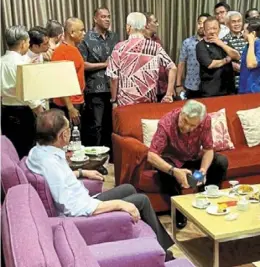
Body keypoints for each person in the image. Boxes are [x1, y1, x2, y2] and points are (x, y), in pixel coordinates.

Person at [26, 109, 174, 260]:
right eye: (68, 129)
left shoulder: (39, 152)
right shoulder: (50, 163)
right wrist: (118, 204)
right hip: (83, 213)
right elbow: (72, 207)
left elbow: (58, 180)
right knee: (141, 200)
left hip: (85, 200)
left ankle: (148, 241)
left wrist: (82, 173)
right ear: (63, 135)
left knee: (129, 188)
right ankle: (163, 254)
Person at [147, 100, 228, 229]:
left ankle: (207, 200)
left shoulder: (205, 120)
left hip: (194, 156)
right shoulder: (166, 123)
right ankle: (179, 212)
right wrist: (174, 171)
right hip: (173, 160)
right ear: (181, 113)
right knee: (164, 171)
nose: (187, 127)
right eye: (184, 121)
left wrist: (203, 170)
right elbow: (151, 156)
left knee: (221, 161)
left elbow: (208, 149)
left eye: (193, 125)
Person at [106, 12, 177, 106]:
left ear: (128, 27)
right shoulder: (155, 47)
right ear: (144, 27)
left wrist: (114, 99)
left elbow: (114, 77)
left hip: (126, 103)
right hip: (150, 101)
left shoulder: (119, 47)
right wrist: (169, 94)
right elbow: (172, 67)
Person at [78, 7, 119, 151]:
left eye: (108, 16)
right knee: (96, 125)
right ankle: (95, 156)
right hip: (95, 88)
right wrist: (105, 64)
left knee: (112, 125)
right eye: (103, 17)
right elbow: (82, 64)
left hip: (114, 88)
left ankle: (111, 157)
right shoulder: (86, 39)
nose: (107, 19)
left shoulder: (114, 37)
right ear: (95, 19)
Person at [1, 26, 44, 158]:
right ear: (23, 43)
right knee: (26, 151)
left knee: (12, 150)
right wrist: (40, 111)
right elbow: (28, 92)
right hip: (23, 113)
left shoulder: (2, 61)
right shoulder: (21, 64)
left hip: (6, 111)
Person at [51, 17, 85, 126]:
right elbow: (60, 81)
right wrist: (70, 107)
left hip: (77, 100)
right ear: (72, 33)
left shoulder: (73, 49)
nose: (84, 33)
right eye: (81, 30)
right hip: (68, 104)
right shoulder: (61, 51)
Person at [196, 16, 240, 97]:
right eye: (209, 29)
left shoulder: (224, 42)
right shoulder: (200, 45)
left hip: (229, 90)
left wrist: (221, 43)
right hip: (211, 91)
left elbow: (236, 56)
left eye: (215, 28)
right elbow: (210, 64)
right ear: (204, 31)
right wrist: (226, 60)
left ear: (219, 30)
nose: (212, 31)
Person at [176, 13, 210, 99]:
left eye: (204, 23)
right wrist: (178, 84)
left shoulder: (214, 42)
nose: (201, 26)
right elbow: (181, 62)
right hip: (191, 85)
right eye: (199, 23)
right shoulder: (187, 42)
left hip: (209, 85)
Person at [239, 18, 260, 94]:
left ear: (252, 33)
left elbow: (251, 64)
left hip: (254, 91)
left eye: (244, 31)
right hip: (243, 89)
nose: (242, 33)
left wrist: (251, 42)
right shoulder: (247, 46)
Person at [143, 12, 167, 102]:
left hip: (162, 86)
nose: (158, 24)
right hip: (147, 88)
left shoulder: (157, 40)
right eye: (155, 22)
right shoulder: (139, 41)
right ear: (147, 25)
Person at [222, 11, 247, 91]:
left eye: (239, 21)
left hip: (248, 82)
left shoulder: (248, 39)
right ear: (228, 24)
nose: (237, 24)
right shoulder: (223, 41)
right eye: (233, 22)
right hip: (232, 83)